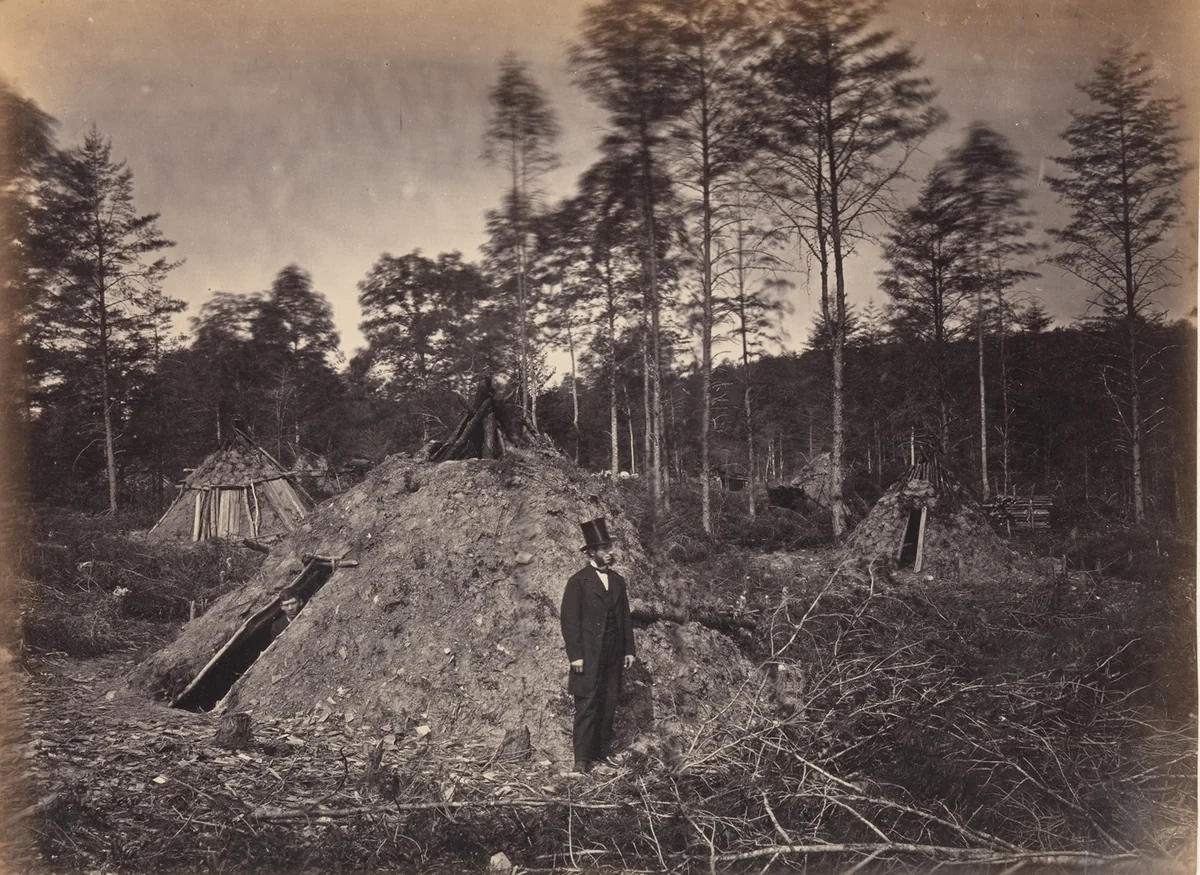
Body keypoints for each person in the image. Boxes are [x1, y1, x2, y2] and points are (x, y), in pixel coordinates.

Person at [560, 517, 636, 775]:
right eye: (604, 549)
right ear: (591, 552)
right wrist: (576, 656)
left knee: (609, 701)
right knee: (587, 702)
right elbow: (569, 621)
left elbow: (625, 617)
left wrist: (628, 650)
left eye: (610, 548)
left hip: (613, 651)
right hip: (589, 655)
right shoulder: (578, 582)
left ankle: (602, 752)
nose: (610, 553)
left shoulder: (617, 581)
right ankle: (582, 759)